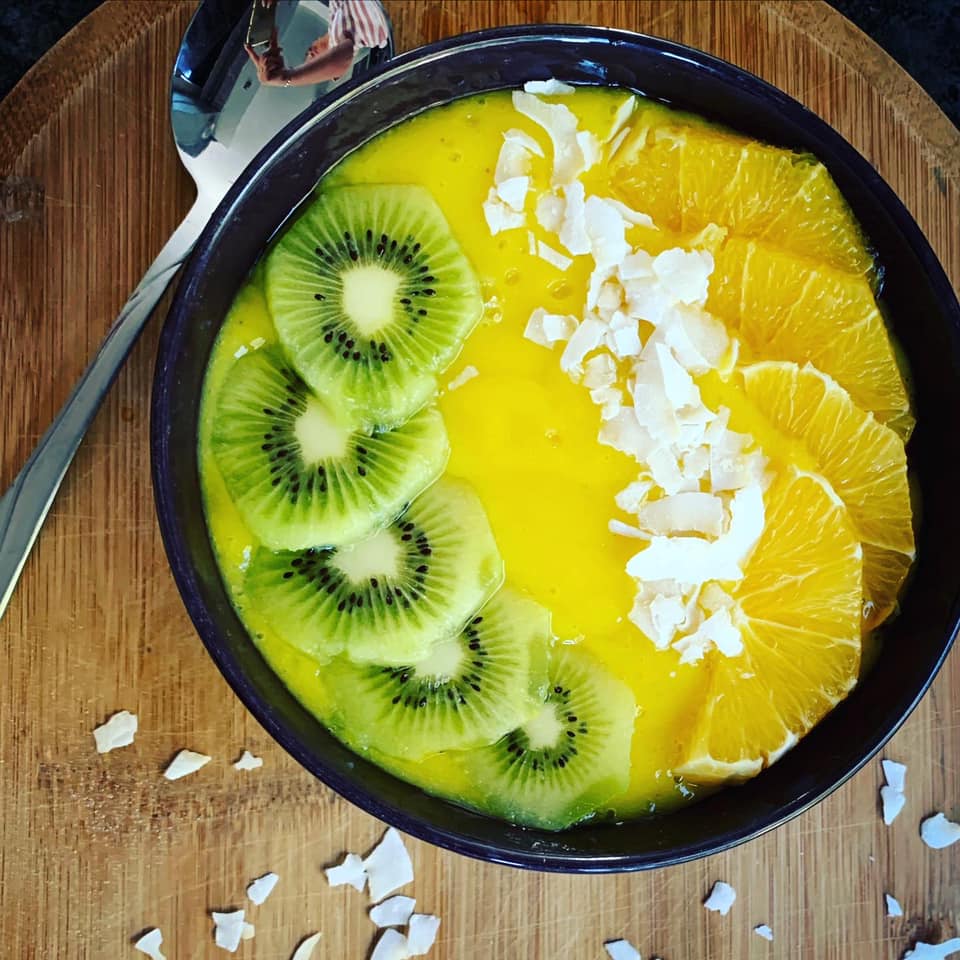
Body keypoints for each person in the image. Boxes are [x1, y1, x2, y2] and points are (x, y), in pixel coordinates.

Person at [244, 0, 389, 87]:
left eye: (307, 53)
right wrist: (288, 78)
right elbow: (339, 61)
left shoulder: (334, 15)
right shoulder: (342, 41)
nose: (310, 53)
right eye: (313, 59)